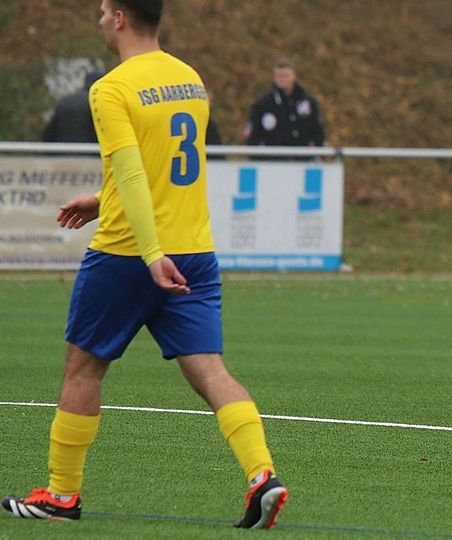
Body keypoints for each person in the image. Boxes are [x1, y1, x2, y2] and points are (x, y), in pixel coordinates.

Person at [2, 0, 287, 528]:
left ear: (120, 19)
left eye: (103, 10)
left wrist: (150, 254)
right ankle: (261, 474)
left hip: (130, 253)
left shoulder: (111, 87)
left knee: (84, 366)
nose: (99, 18)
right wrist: (100, 195)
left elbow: (134, 174)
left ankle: (61, 496)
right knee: (210, 370)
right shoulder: (188, 78)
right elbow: (160, 165)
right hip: (195, 251)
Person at [244, 58, 325, 147]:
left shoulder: (309, 103)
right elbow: (252, 136)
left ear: (294, 76)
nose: (282, 79)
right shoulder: (263, 104)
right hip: (273, 159)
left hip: (302, 159)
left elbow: (318, 132)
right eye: (278, 76)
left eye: (285, 76)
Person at [42, 70, 104, 143]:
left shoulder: (65, 101)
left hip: (63, 150)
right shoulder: (97, 102)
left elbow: (49, 132)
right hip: (88, 151)